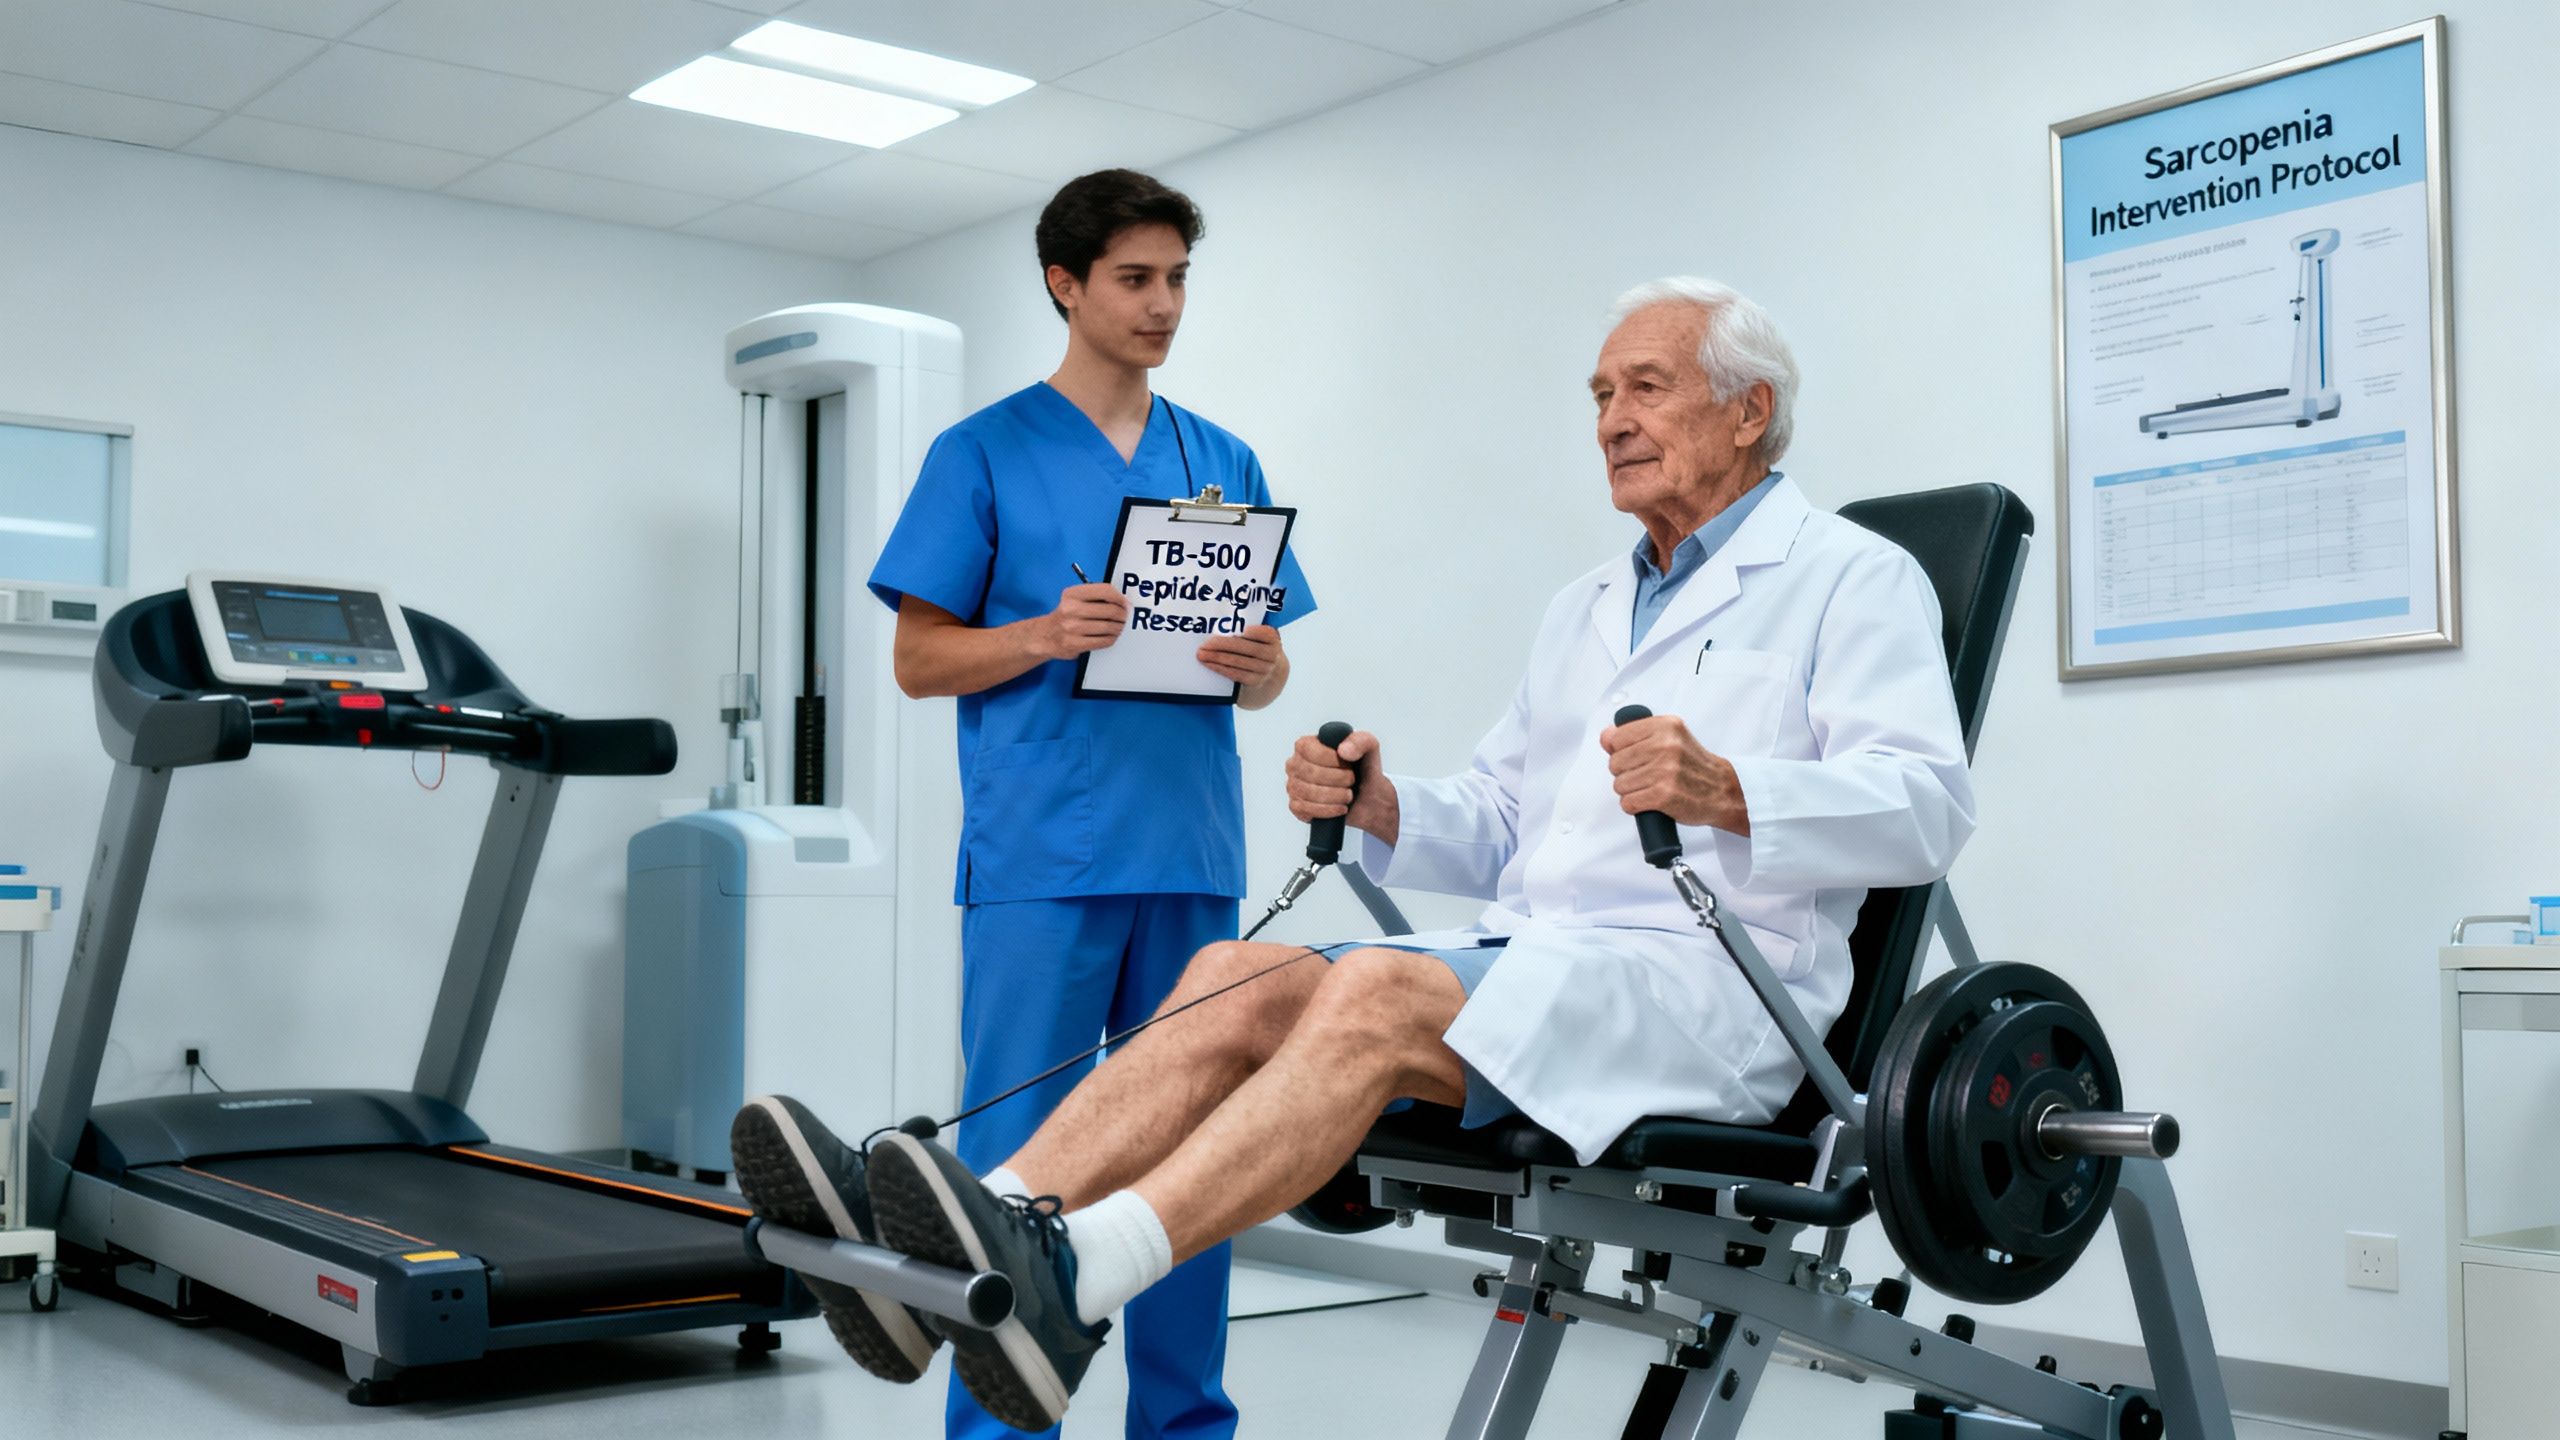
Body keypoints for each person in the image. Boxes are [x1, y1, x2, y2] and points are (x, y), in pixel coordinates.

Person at [734, 277, 1972, 1433]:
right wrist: (1382, 806)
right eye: (1600, 395)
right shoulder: (1586, 605)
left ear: (1749, 411)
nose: (1610, 421)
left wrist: (1731, 791)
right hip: (1554, 963)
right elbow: (1509, 823)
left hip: (1712, 995)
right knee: (1234, 971)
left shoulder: (1852, 579)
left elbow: (1928, 810)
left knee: (1373, 987)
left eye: (1645, 388)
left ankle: (1079, 1276)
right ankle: (967, 1236)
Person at [728, 169, 1314, 1440]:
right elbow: (917, 660)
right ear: (1065, 284)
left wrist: (1263, 667)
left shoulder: (1221, 458)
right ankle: (1000, 1431)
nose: (1163, 305)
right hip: (1044, 855)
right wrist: (1043, 633)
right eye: (1134, 279)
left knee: (1194, 1159)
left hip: (1190, 850)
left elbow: (1264, 676)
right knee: (1013, 1170)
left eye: (1177, 280)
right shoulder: (980, 453)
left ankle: (1184, 1422)